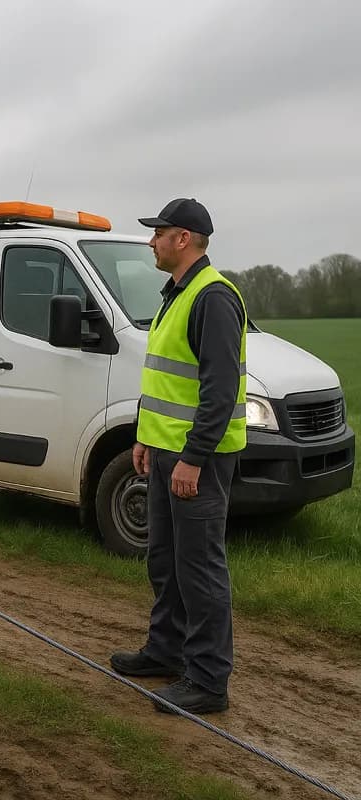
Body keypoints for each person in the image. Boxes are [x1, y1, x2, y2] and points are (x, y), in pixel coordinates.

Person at [109, 198, 247, 714]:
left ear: (183, 239)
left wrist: (193, 457)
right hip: (165, 449)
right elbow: (166, 376)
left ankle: (208, 681)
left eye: (159, 233)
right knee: (165, 560)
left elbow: (219, 387)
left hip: (199, 460)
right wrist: (145, 435)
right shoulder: (178, 293)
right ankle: (166, 651)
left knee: (200, 569)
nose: (151, 241)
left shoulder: (213, 297)